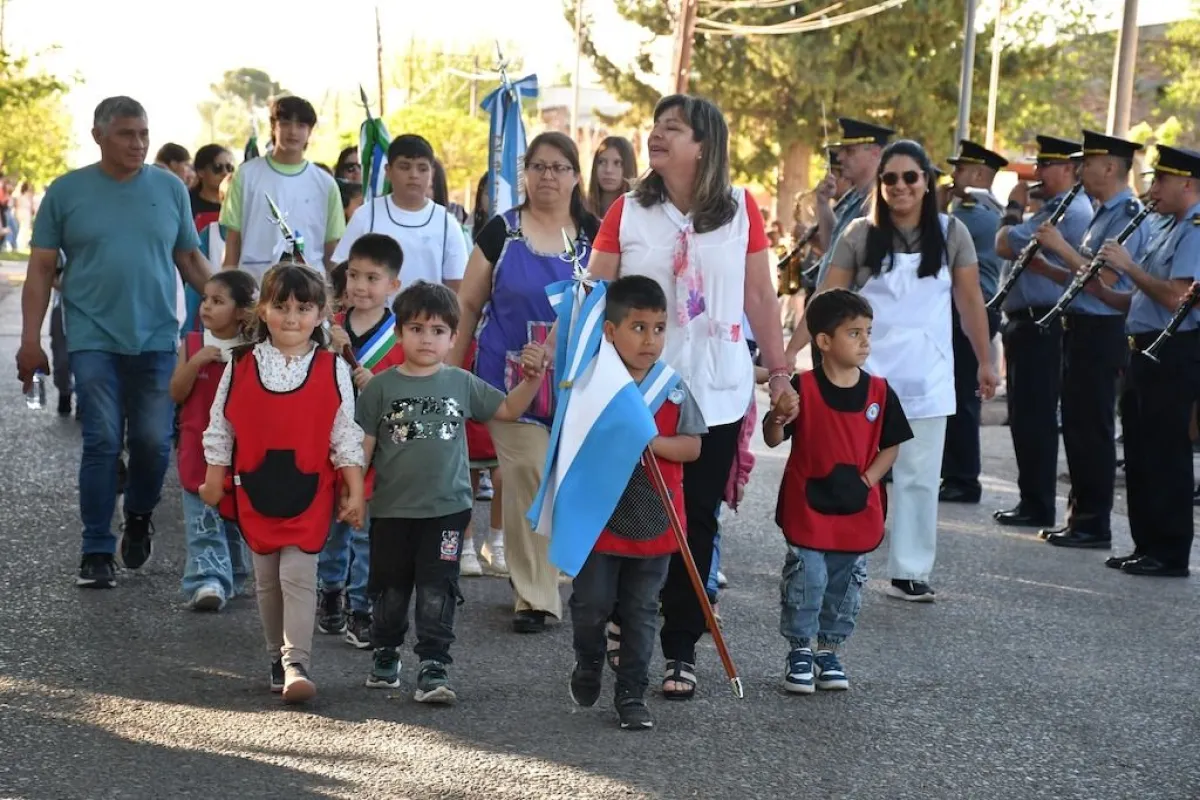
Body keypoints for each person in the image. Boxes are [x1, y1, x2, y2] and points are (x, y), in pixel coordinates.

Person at [587, 94, 795, 698]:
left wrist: (781, 372)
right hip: (639, 387)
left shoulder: (741, 209)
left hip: (716, 387)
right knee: (629, 507)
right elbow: (595, 293)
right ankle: (624, 621)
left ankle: (681, 645)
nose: (657, 135)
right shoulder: (628, 210)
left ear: (703, 144)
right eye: (655, 126)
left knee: (696, 518)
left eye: (672, 128)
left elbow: (760, 297)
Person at [787, 139, 998, 602]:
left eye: (910, 177)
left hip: (927, 374)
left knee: (919, 477)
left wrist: (987, 360)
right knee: (853, 468)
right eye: (890, 179)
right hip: (867, 377)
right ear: (879, 185)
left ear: (927, 182)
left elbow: (970, 301)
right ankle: (838, 550)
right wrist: (791, 352)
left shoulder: (952, 233)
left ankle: (910, 570)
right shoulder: (859, 233)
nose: (900, 187)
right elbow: (827, 299)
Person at [17, 96, 212, 588]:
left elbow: (190, 260)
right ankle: (96, 548)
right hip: (91, 336)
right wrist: (30, 340)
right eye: (126, 133)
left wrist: (240, 307)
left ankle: (140, 514)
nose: (138, 143)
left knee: (152, 442)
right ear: (98, 135)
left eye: (143, 133)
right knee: (102, 439)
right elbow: (40, 269)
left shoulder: (169, 189)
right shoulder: (67, 192)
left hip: (157, 336)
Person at [356, 281, 547, 702]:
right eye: (416, 328)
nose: (427, 338)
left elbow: (508, 409)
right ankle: (386, 651)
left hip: (447, 510)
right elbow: (362, 447)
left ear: (453, 337)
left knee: (437, 589)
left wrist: (532, 380)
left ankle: (434, 663)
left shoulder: (461, 383)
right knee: (390, 589)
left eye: (438, 330)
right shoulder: (379, 388)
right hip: (391, 510)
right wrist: (353, 494)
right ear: (398, 332)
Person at [451, 132, 601, 633]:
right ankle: (535, 597)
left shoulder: (595, 236)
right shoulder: (502, 231)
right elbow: (468, 304)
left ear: (576, 176)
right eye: (538, 166)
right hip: (507, 385)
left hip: (575, 386)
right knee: (528, 473)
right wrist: (450, 371)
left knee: (564, 484)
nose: (547, 176)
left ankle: (546, 573)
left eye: (559, 167)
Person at [199, 263, 366, 704]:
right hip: (255, 488)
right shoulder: (240, 363)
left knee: (297, 573)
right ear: (262, 309)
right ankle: (276, 656)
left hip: (310, 491)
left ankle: (297, 662)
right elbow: (221, 425)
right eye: (281, 306)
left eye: (303, 308)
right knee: (267, 580)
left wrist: (354, 490)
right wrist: (214, 478)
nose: (292, 317)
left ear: (322, 313)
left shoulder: (332, 367)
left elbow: (344, 433)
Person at [567, 275, 706, 730]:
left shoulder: (673, 388)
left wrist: (651, 441)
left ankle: (631, 692)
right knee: (592, 602)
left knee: (642, 610)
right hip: (599, 518)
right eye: (639, 327)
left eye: (659, 328)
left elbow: (693, 447)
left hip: (655, 519)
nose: (650, 339)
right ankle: (589, 657)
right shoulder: (592, 383)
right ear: (610, 331)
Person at [765, 288, 912, 693]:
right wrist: (777, 415)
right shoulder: (803, 387)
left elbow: (892, 446)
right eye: (854, 333)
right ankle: (800, 648)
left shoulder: (879, 391)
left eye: (868, 332)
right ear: (824, 341)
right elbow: (774, 437)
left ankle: (829, 649)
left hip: (855, 503)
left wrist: (867, 482)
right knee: (807, 574)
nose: (865, 342)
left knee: (846, 580)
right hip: (808, 503)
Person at [1029, 131, 1152, 549]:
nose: (1080, 169)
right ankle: (1079, 516)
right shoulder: (1103, 212)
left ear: (1111, 167)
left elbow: (1106, 279)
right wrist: (1050, 266)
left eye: (1089, 162)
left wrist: (1060, 247)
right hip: (1080, 327)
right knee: (1077, 425)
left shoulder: (1128, 215)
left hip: (1103, 331)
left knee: (1092, 427)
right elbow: (1083, 275)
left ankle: (1093, 522)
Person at [1088, 146, 1200, 577]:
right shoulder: (1168, 226)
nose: (1153, 189)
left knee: (1165, 452)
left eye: (1161, 180)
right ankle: (1146, 544)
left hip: (1174, 352)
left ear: (1187, 183)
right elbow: (1141, 300)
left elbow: (1176, 297)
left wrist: (1129, 267)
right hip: (1143, 349)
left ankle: (1169, 552)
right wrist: (1101, 291)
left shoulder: (1195, 229)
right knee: (1139, 451)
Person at [992, 135, 1091, 529]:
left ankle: (1038, 503)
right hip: (1027, 321)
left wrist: (1014, 207)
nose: (1037, 173)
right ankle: (1031, 499)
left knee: (1035, 417)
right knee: (1024, 416)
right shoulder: (1054, 208)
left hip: (1042, 322)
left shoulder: (1070, 211)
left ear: (1069, 169)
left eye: (1046, 166)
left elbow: (1004, 243)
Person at [320, 234, 407, 648]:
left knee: (366, 532)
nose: (360, 286)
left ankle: (361, 607)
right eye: (354, 275)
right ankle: (330, 591)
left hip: (378, 451)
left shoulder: (401, 336)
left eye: (373, 278)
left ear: (393, 285)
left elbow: (408, 388)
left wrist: (379, 384)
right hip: (331, 446)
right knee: (333, 526)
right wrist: (330, 350)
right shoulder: (328, 328)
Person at [170, 271, 257, 611]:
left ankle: (233, 573)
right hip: (197, 448)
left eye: (218, 301)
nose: (206, 306)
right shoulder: (192, 343)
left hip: (239, 450)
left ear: (241, 311)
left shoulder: (251, 352)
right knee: (202, 515)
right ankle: (207, 580)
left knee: (233, 515)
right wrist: (195, 363)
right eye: (205, 299)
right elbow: (176, 393)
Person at [938, 140, 1008, 504]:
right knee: (954, 391)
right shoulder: (972, 210)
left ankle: (963, 478)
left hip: (971, 308)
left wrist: (934, 206)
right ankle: (955, 473)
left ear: (980, 175)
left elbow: (934, 238)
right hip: (964, 307)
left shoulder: (975, 214)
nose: (954, 176)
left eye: (961, 169)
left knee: (962, 395)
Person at [221, 96, 345, 280]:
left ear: (310, 131)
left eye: (301, 125)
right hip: (255, 284)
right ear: (273, 127)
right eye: (285, 123)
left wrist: (333, 291)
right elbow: (233, 241)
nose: (293, 132)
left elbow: (331, 248)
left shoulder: (325, 183)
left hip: (309, 287)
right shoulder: (246, 175)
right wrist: (227, 286)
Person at [333, 135, 468, 291]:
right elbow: (341, 273)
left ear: (432, 173)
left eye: (422, 168)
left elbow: (458, 286)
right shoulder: (366, 216)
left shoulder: (446, 223)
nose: (414, 175)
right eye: (404, 167)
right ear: (388, 171)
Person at [810, 119, 894, 294]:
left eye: (850, 151)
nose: (840, 157)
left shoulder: (881, 201)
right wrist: (823, 204)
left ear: (875, 153)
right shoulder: (855, 196)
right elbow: (834, 248)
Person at [587, 136, 638, 217]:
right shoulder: (582, 210)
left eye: (617, 163)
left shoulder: (639, 213)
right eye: (602, 162)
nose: (608, 170)